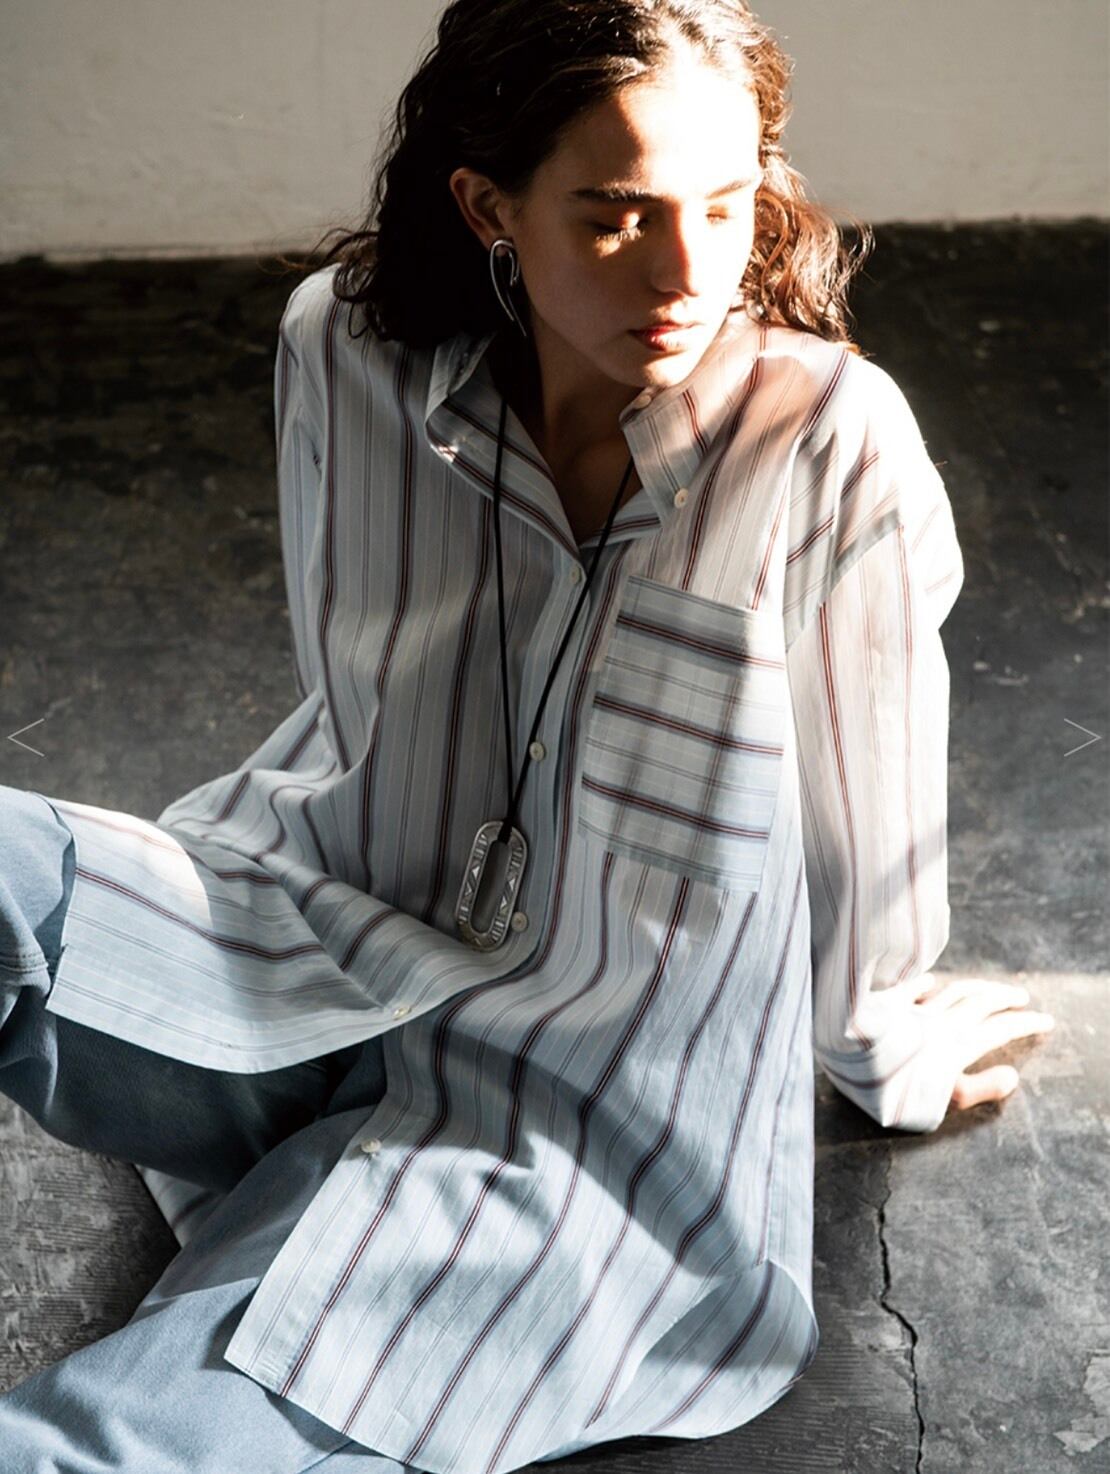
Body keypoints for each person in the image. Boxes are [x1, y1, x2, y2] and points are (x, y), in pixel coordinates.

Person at [0, 2, 1057, 1471]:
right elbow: (350, 698)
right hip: (291, 952)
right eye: (617, 215)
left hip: (569, 1120)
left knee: (92, 1446)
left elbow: (861, 808)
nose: (685, 272)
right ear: (488, 205)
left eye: (723, 204)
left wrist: (875, 1041)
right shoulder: (343, 353)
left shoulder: (823, 442)